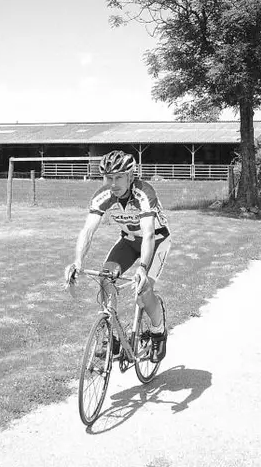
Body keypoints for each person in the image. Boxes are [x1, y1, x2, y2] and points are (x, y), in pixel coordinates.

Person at [64, 150, 171, 363]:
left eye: (119, 177)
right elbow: (87, 231)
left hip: (157, 242)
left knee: (143, 291)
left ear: (131, 176)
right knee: (105, 277)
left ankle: (159, 332)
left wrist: (142, 268)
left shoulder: (144, 193)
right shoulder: (103, 196)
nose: (113, 183)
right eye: (109, 178)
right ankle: (110, 335)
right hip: (129, 241)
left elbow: (149, 233)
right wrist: (78, 261)